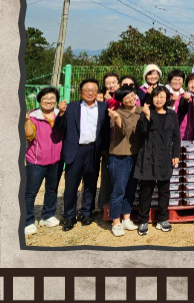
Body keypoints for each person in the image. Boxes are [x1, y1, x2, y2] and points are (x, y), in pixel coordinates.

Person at [53, 79, 110, 231]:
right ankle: (69, 216)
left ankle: (86, 212)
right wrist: (61, 113)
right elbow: (58, 127)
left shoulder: (104, 107)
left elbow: (105, 131)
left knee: (91, 184)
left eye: (94, 90)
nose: (90, 92)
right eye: (87, 90)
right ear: (80, 92)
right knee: (71, 185)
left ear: (98, 91)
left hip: (93, 150)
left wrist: (104, 149)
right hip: (75, 150)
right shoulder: (71, 107)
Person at [134, 86, 181, 235]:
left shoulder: (172, 114)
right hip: (148, 156)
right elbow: (141, 133)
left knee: (164, 190)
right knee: (146, 190)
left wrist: (176, 154)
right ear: (151, 98)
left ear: (167, 98)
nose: (158, 99)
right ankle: (142, 221)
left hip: (165, 157)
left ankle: (163, 219)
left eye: (162, 96)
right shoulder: (147, 113)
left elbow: (176, 137)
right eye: (156, 96)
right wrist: (147, 117)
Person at [24, 87, 64, 236]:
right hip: (36, 161)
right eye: (45, 98)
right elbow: (28, 135)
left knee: (52, 190)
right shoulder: (33, 116)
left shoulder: (59, 116)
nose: (49, 101)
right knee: (30, 193)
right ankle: (27, 220)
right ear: (40, 100)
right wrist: (27, 120)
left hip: (56, 160)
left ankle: (47, 215)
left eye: (52, 98)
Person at [106, 86, 142, 237]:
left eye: (132, 95)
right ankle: (116, 222)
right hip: (120, 156)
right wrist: (116, 118)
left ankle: (126, 218)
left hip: (135, 155)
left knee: (131, 189)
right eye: (126, 97)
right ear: (121, 100)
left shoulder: (142, 111)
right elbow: (121, 132)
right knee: (119, 190)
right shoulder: (117, 113)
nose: (130, 99)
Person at [165, 69, 191, 140]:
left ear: (183, 81)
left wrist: (186, 101)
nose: (177, 82)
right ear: (170, 81)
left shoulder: (184, 94)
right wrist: (172, 102)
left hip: (179, 128)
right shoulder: (164, 92)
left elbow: (183, 112)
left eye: (179, 79)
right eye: (175, 79)